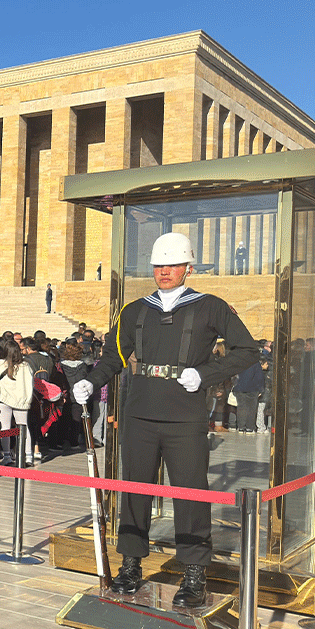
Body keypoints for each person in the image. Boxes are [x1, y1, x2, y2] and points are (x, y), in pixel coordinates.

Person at [73, 232, 258, 607]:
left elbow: (247, 350)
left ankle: (193, 572)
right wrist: (90, 382)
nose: (164, 272)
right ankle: (130, 564)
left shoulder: (210, 306)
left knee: (190, 494)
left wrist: (205, 374)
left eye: (172, 265)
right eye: (159, 265)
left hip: (184, 417)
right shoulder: (135, 310)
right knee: (135, 490)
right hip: (139, 413)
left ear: (188, 267)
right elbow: (114, 357)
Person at [0, 342, 34, 465]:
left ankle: (7, 456)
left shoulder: (0, 364)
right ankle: (28, 455)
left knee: (5, 427)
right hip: (22, 400)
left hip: (4, 399)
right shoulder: (26, 365)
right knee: (24, 427)